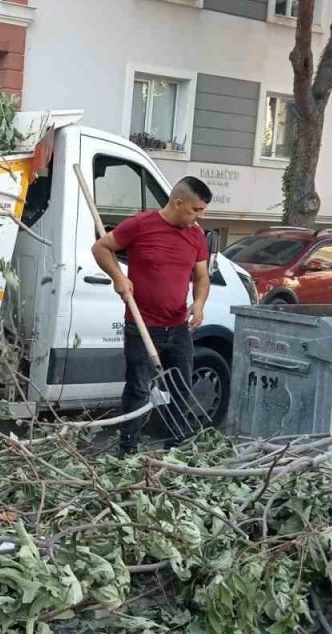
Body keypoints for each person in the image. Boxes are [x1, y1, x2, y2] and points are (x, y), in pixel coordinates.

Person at [90, 176, 213, 455]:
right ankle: (128, 451)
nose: (199, 217)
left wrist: (199, 303)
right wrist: (118, 277)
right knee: (138, 390)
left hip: (178, 327)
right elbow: (101, 248)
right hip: (142, 325)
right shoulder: (141, 225)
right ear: (178, 202)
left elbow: (202, 276)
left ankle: (174, 449)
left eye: (202, 211)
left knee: (180, 389)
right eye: (196, 210)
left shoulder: (196, 236)